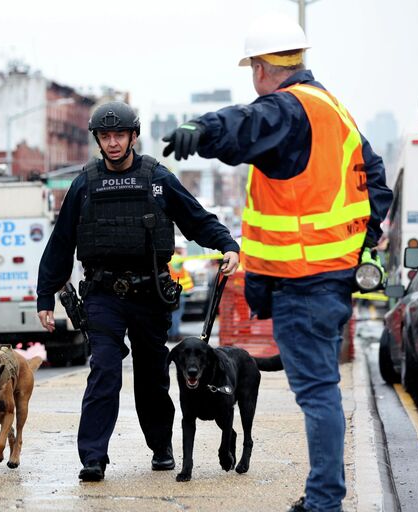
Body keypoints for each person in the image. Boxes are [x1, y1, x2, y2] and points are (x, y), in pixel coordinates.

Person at [161, 14, 393, 512]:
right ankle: (322, 495)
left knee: (316, 395)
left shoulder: (289, 108)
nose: (254, 80)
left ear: (263, 68)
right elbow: (378, 185)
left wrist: (200, 129)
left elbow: (248, 124)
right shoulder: (335, 111)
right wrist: (357, 247)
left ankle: (324, 502)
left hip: (303, 284)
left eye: (253, 70)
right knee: (320, 390)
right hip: (327, 281)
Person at [37, 101, 240, 482]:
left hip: (149, 295)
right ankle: (93, 458)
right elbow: (61, 243)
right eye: (105, 136)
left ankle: (161, 446)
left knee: (152, 375)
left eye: (119, 135)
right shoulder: (84, 183)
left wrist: (227, 244)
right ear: (98, 139)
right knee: (104, 372)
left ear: (133, 136)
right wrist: (45, 296)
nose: (112, 143)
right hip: (102, 295)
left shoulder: (158, 178)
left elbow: (196, 219)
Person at [167, 246, 194, 341]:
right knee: (176, 314)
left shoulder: (167, 258)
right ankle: (175, 334)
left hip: (169, 291)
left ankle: (170, 334)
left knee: (170, 314)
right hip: (179, 292)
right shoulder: (177, 258)